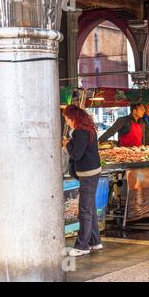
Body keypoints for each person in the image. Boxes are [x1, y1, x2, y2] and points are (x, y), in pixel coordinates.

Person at [62, 105, 103, 257]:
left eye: (67, 119)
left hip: (88, 174)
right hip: (91, 171)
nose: (66, 122)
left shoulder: (80, 132)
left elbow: (76, 154)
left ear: (73, 118)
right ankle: (95, 241)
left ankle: (82, 246)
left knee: (84, 210)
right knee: (90, 207)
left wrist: (67, 143)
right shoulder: (87, 129)